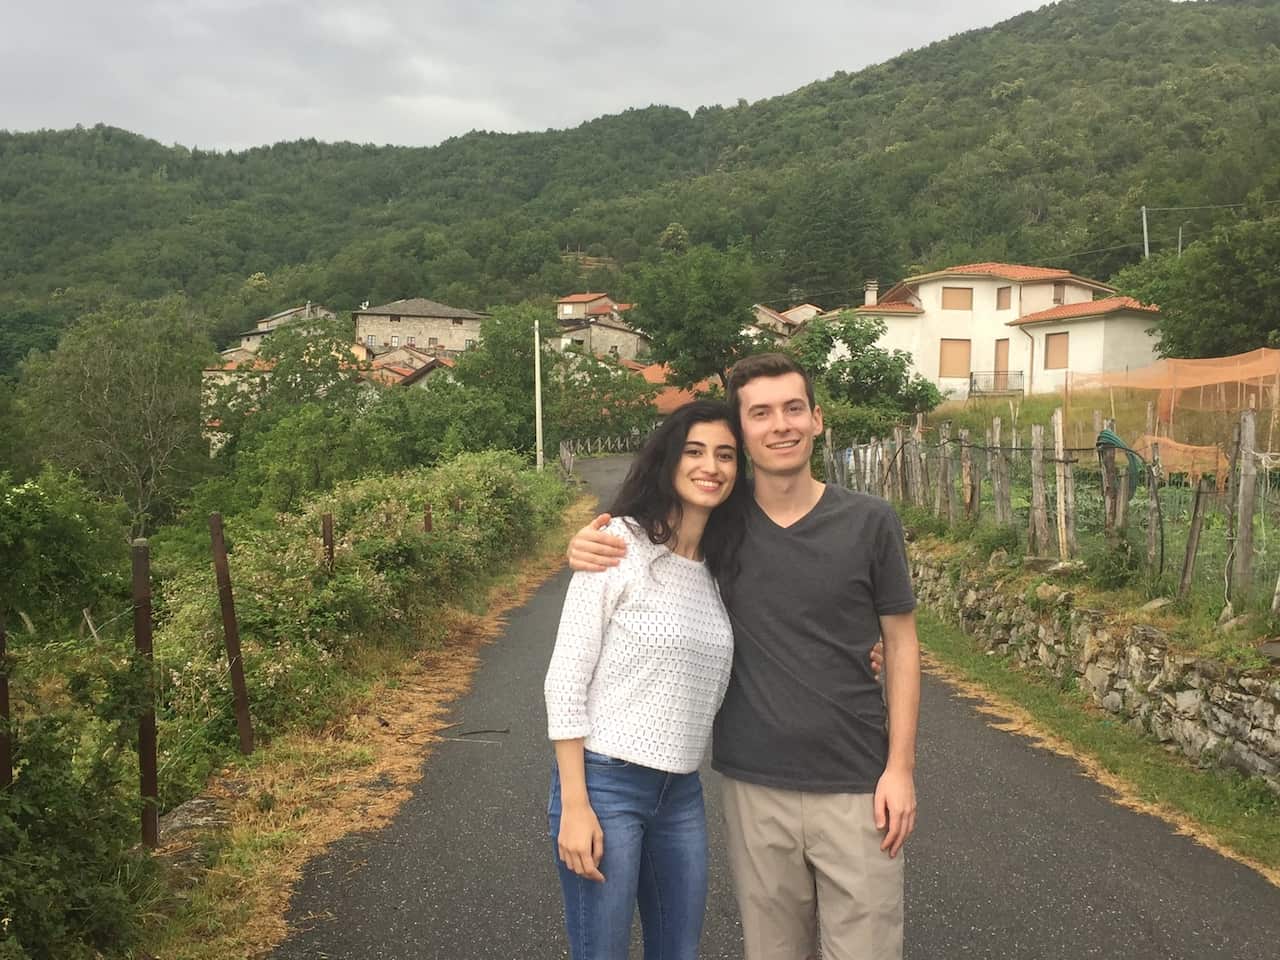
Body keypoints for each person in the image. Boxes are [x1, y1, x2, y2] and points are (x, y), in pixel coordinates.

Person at [568, 352, 921, 960]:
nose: (779, 425)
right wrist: (582, 546)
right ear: (743, 430)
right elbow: (651, 556)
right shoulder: (721, 526)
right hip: (753, 785)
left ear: (817, 419)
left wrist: (900, 768)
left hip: (858, 781)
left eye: (792, 409)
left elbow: (901, 642)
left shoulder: (870, 520)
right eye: (760, 413)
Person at [544, 399, 752, 960]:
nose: (712, 466)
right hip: (605, 784)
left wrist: (865, 652)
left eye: (726, 455)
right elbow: (565, 678)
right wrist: (575, 804)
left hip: (680, 793)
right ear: (668, 460)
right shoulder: (619, 546)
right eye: (696, 451)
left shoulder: (723, 568)